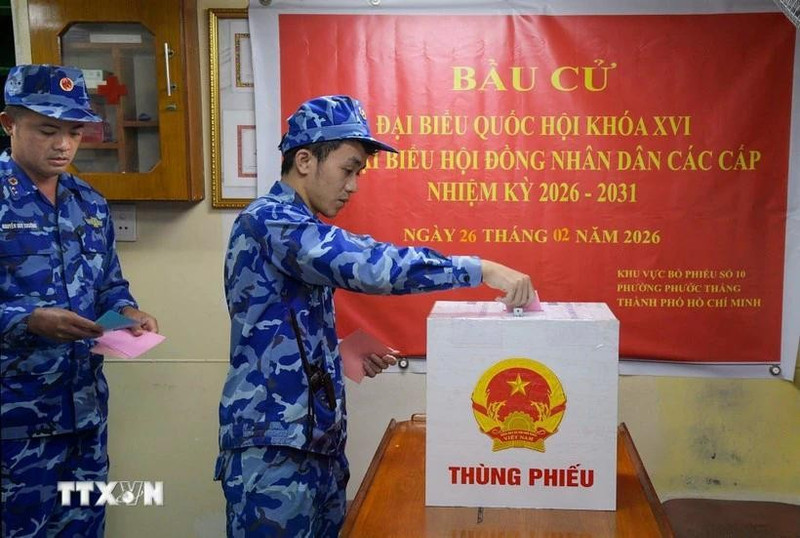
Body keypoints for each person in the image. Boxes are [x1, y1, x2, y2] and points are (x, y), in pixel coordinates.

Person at [215, 94, 535, 537]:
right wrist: (479, 268)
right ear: (305, 160)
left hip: (314, 441)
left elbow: (277, 324)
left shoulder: (300, 225)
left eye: (358, 173)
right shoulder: (272, 221)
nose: (353, 185)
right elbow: (368, 265)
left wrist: (336, 353)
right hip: (274, 447)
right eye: (348, 169)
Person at [0, 64, 158, 537]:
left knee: (85, 527)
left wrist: (127, 310)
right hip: (13, 424)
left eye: (74, 132)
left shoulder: (88, 202)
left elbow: (109, 283)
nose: (63, 145)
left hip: (84, 417)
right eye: (48, 130)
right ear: (9, 123)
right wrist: (27, 321)